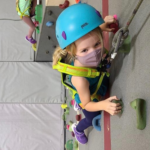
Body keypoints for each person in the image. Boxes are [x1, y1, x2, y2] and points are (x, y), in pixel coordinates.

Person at [53, 3, 121, 144]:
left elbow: (90, 36)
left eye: (97, 44)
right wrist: (103, 105)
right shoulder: (79, 79)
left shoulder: (86, 42)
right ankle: (78, 129)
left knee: (105, 83)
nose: (94, 52)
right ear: (72, 53)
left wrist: (102, 25)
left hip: (97, 82)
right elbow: (89, 104)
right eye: (84, 51)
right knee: (92, 116)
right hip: (88, 97)